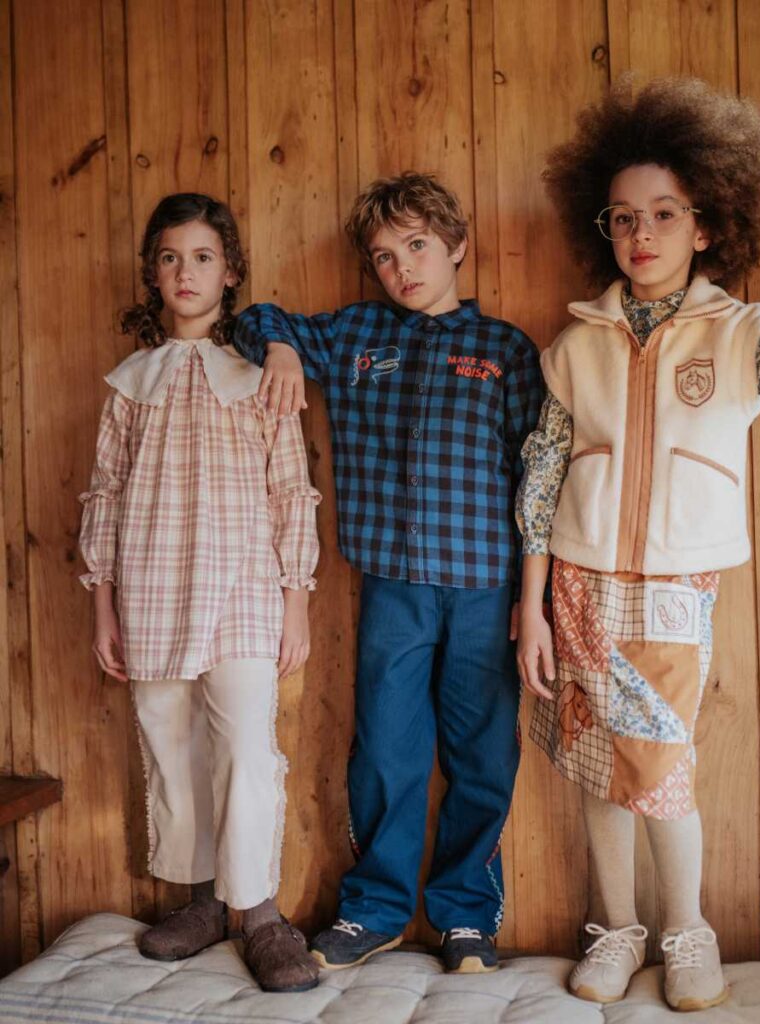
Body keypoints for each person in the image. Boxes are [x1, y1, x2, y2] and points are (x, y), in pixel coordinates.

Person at [515, 78, 760, 1012]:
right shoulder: (574, 344)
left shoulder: (741, 335)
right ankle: (614, 930)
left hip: (673, 587)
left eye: (663, 214)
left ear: (705, 225)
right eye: (622, 218)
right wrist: (530, 602)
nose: (641, 234)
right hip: (576, 581)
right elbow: (542, 474)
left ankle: (685, 932)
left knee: (657, 766)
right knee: (594, 761)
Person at [233, 172, 544, 974]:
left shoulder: (504, 349)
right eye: (383, 256)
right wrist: (277, 345)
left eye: (416, 246)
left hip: (485, 585)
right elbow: (257, 318)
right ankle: (374, 909)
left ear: (456, 248)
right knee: (385, 751)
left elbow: (539, 476)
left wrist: (533, 598)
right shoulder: (355, 336)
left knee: (481, 755)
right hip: (393, 584)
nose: (402, 266)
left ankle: (467, 917)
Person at [79, 193, 321, 993]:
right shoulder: (129, 383)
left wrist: (297, 598)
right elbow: (104, 494)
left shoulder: (261, 377)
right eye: (172, 258)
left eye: (204, 257)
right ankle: (198, 899)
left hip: (245, 587)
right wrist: (102, 603)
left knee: (248, 748)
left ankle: (257, 911)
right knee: (169, 739)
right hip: (150, 584)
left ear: (231, 273)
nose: (187, 272)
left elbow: (293, 490)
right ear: (153, 273)